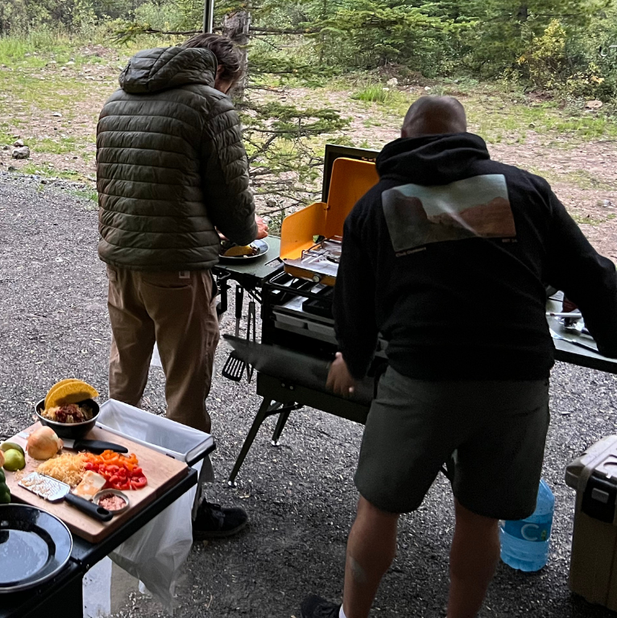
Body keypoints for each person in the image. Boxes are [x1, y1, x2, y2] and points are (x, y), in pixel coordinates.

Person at [300, 96, 617, 618]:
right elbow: (594, 275)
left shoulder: (377, 203)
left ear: (402, 138)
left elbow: (352, 306)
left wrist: (353, 361)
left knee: (379, 505)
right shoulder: (525, 188)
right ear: (465, 136)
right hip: (516, 381)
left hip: (423, 377)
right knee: (479, 518)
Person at [96, 33, 265, 538]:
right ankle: (183, 512)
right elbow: (232, 197)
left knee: (126, 373)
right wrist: (241, 236)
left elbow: (114, 184)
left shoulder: (118, 99)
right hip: (175, 269)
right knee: (186, 387)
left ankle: (109, 485)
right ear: (220, 75)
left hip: (121, 260)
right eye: (230, 86)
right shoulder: (209, 105)